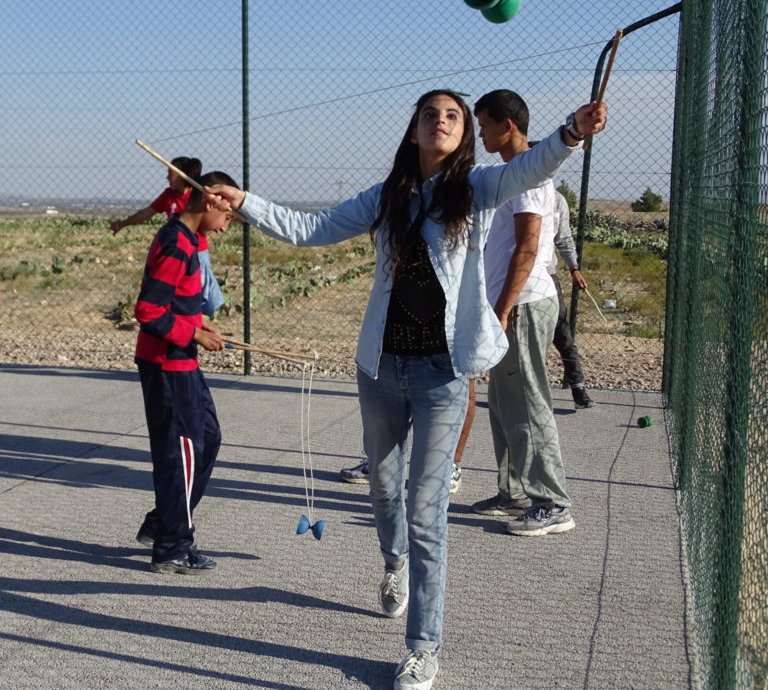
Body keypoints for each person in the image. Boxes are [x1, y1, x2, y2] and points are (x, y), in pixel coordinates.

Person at [208, 90, 607, 690]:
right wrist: (244, 202)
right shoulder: (387, 197)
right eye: (430, 115)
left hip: (443, 374)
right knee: (384, 488)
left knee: (428, 509)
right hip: (381, 371)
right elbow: (308, 227)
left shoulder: (474, 190)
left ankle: (423, 646)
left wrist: (571, 133)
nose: (441, 121)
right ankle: (392, 562)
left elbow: (530, 167)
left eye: (453, 116)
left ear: (464, 133)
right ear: (415, 130)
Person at [469, 89, 575, 537]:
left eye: (484, 125)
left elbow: (529, 247)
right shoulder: (510, 172)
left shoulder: (529, 176)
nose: (480, 133)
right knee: (505, 403)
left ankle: (553, 503)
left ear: (507, 125)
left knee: (530, 403)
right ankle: (513, 491)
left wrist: (503, 309)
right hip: (513, 305)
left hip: (526, 303)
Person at [133, 171, 237, 575]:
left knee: (208, 439)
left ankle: (164, 522)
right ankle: (173, 546)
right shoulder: (176, 243)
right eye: (228, 213)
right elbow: (148, 311)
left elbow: (175, 302)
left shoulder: (190, 241)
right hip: (166, 364)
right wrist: (191, 332)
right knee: (181, 454)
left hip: (182, 361)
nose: (229, 223)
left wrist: (199, 323)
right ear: (209, 200)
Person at [111, 157, 225, 316]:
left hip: (197, 250)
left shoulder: (196, 195)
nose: (167, 177)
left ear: (181, 175)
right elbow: (146, 213)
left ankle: (213, 317)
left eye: (170, 173)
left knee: (204, 286)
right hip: (177, 250)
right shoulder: (168, 195)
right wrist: (123, 223)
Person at [550, 190, 595, 408]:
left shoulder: (557, 200)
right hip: (509, 278)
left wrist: (574, 268)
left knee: (562, 335)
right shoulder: (511, 190)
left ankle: (578, 388)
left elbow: (563, 237)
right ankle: (508, 392)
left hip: (546, 278)